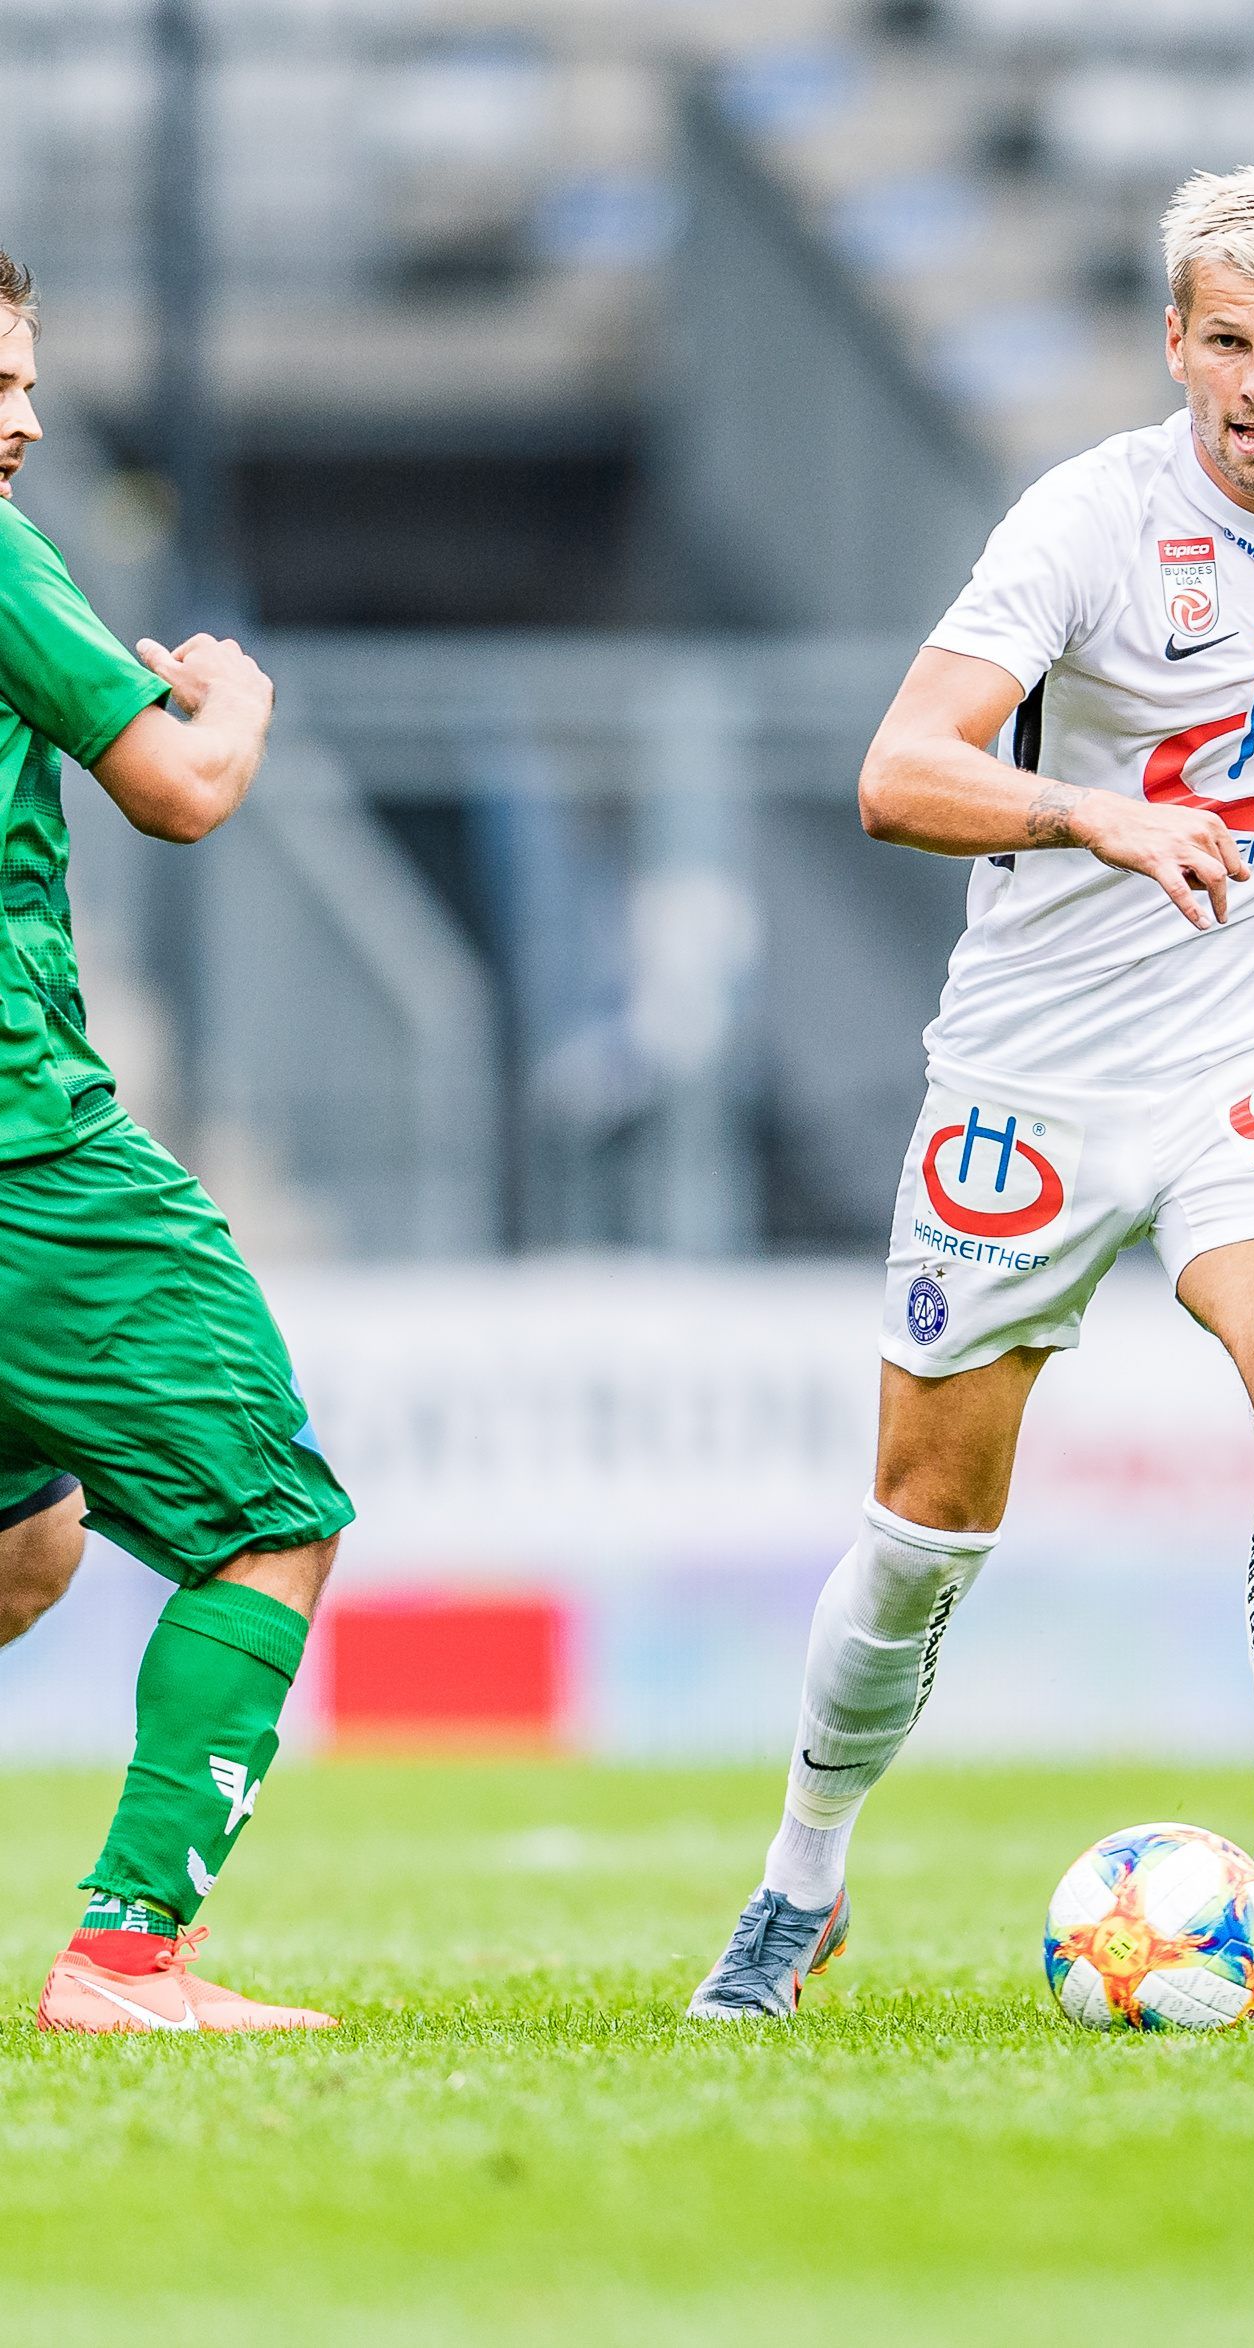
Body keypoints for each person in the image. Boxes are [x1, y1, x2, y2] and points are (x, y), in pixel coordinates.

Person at [689, 163, 1254, 2018]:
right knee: (926, 1530)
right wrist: (1092, 803)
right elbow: (897, 770)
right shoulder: (1084, 525)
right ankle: (804, 1874)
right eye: (1224, 347)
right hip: (1036, 1077)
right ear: (1174, 343)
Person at [0, 249, 354, 2032]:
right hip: (27, 1172)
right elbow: (181, 791)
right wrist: (237, 701)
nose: (27, 414)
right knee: (271, 1521)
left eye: (27, 376)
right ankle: (129, 1955)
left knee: (26, 1546)